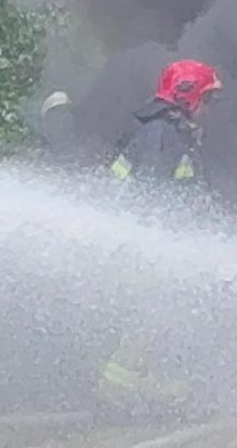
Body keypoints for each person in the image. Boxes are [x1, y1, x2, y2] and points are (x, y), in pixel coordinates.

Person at [95, 59, 222, 422]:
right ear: (187, 95)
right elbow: (152, 198)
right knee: (149, 317)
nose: (208, 109)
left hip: (151, 247)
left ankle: (151, 389)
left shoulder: (171, 134)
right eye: (206, 99)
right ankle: (115, 394)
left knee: (161, 318)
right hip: (143, 248)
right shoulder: (163, 136)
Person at [108, 60, 220, 186]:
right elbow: (150, 190)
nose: (207, 110)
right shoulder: (159, 133)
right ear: (189, 98)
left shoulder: (174, 133)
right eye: (207, 100)